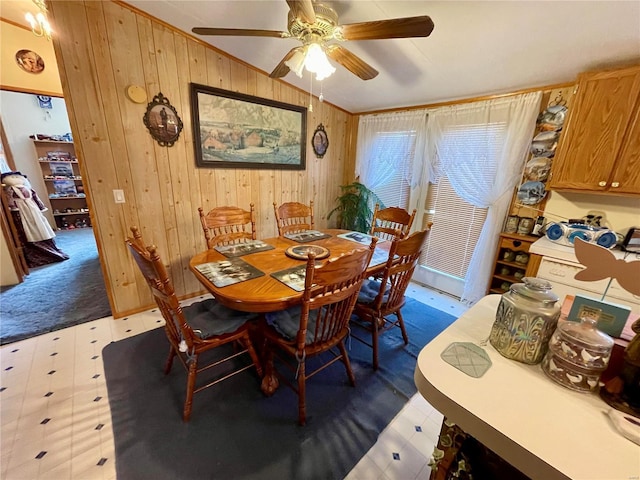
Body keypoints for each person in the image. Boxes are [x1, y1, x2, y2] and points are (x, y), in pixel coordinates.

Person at [2, 171, 55, 242]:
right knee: (27, 221)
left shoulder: (27, 188)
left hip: (32, 205)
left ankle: (44, 235)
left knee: (38, 219)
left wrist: (40, 206)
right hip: (21, 207)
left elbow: (35, 197)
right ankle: (33, 237)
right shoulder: (10, 190)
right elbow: (10, 198)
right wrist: (13, 207)